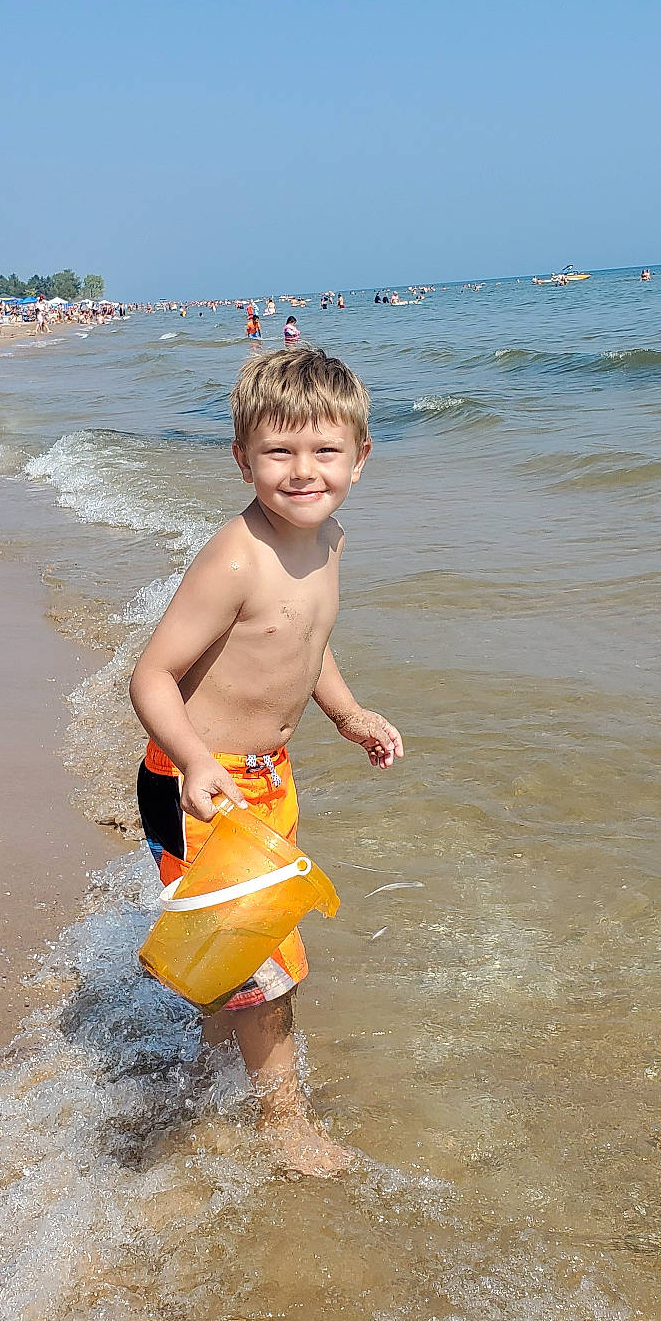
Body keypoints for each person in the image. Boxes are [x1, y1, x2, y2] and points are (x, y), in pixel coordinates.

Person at [129, 347, 402, 1176]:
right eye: (279, 452)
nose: (302, 471)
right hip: (197, 781)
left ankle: (203, 1067)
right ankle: (284, 1129)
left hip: (264, 779)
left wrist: (348, 713)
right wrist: (191, 759)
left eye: (324, 451)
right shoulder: (237, 555)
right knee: (270, 968)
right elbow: (153, 674)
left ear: (360, 457)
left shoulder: (330, 543)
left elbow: (305, 642)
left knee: (243, 950)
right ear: (243, 457)